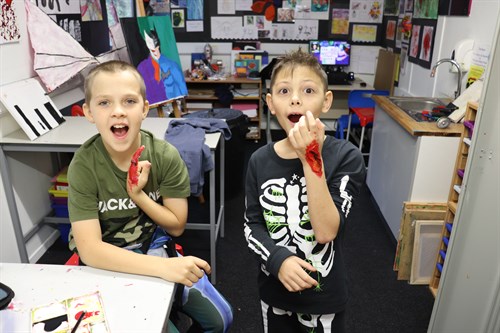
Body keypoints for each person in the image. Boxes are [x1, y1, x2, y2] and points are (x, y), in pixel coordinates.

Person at [67, 60, 232, 332]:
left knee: (221, 319)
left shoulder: (164, 156)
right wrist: (161, 269)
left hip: (153, 245)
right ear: (88, 112)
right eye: (105, 103)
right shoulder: (84, 166)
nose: (118, 112)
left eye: (129, 101)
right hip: (107, 261)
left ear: (144, 109)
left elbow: (177, 226)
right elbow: (90, 249)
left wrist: (139, 196)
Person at [243, 49, 366, 332]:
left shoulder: (347, 157)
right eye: (284, 91)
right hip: (274, 293)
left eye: (308, 90)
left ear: (326, 101)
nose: (295, 98)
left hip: (324, 299)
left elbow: (325, 232)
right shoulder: (259, 160)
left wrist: (310, 156)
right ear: (271, 104)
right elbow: (252, 225)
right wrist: (277, 260)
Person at [137, 29, 187, 105]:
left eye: (156, 48)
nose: (155, 51)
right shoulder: (142, 67)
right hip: (151, 109)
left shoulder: (172, 65)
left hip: (171, 106)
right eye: (152, 50)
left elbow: (182, 88)